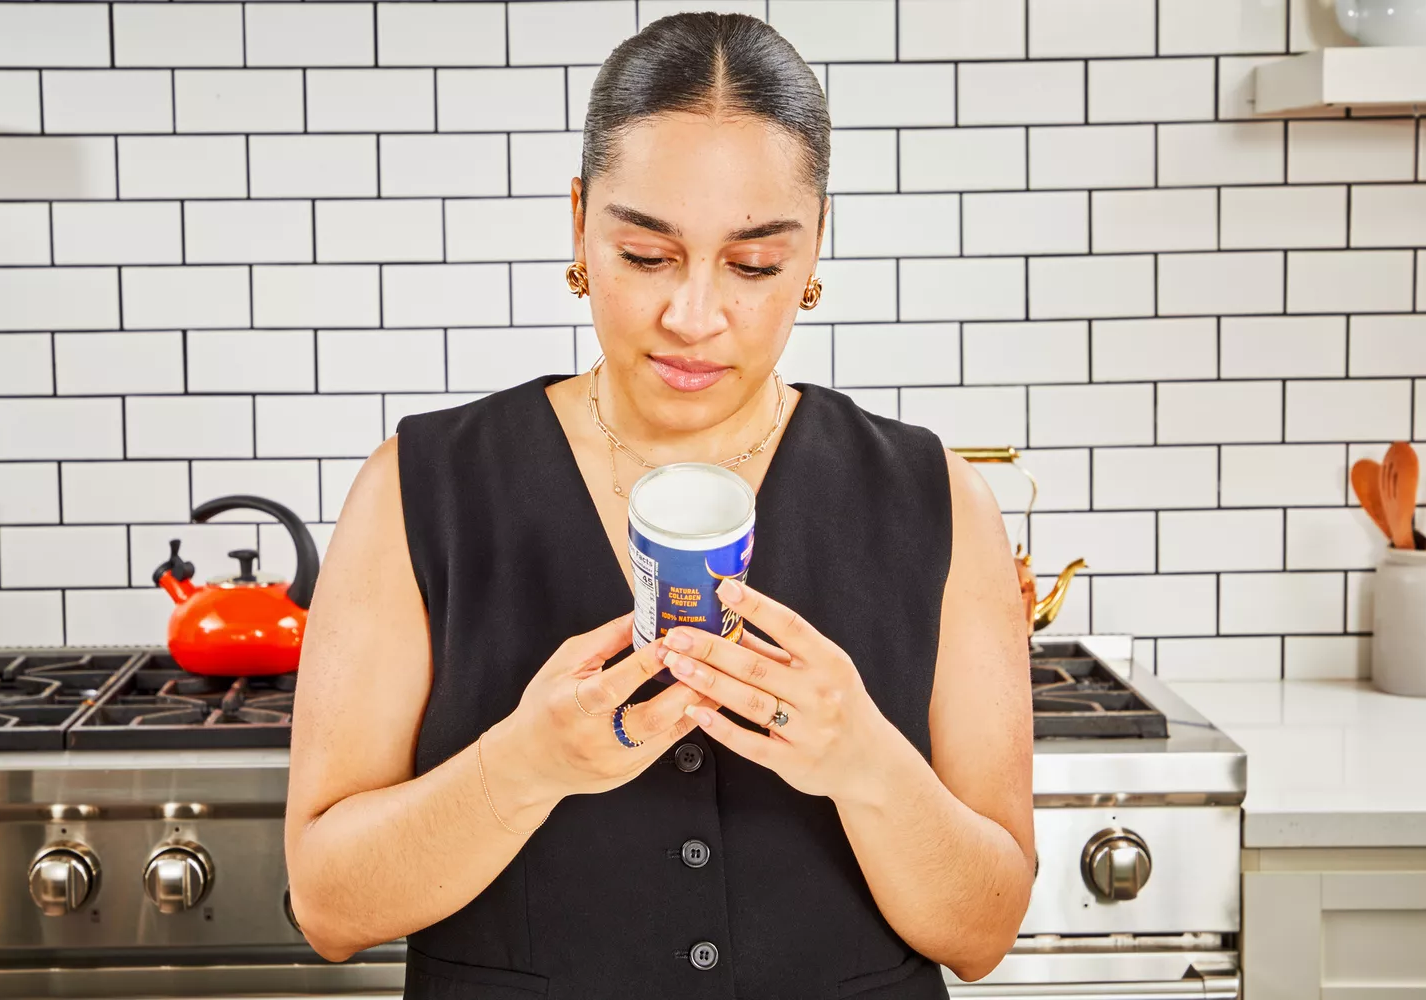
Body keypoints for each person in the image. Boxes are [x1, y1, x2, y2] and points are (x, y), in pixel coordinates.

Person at [283, 12, 1034, 999]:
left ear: (812, 254)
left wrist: (864, 761)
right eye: (646, 255)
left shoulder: (938, 500)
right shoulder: (419, 488)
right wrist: (525, 761)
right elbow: (330, 907)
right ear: (579, 225)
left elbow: (982, 935)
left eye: (755, 264)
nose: (694, 315)